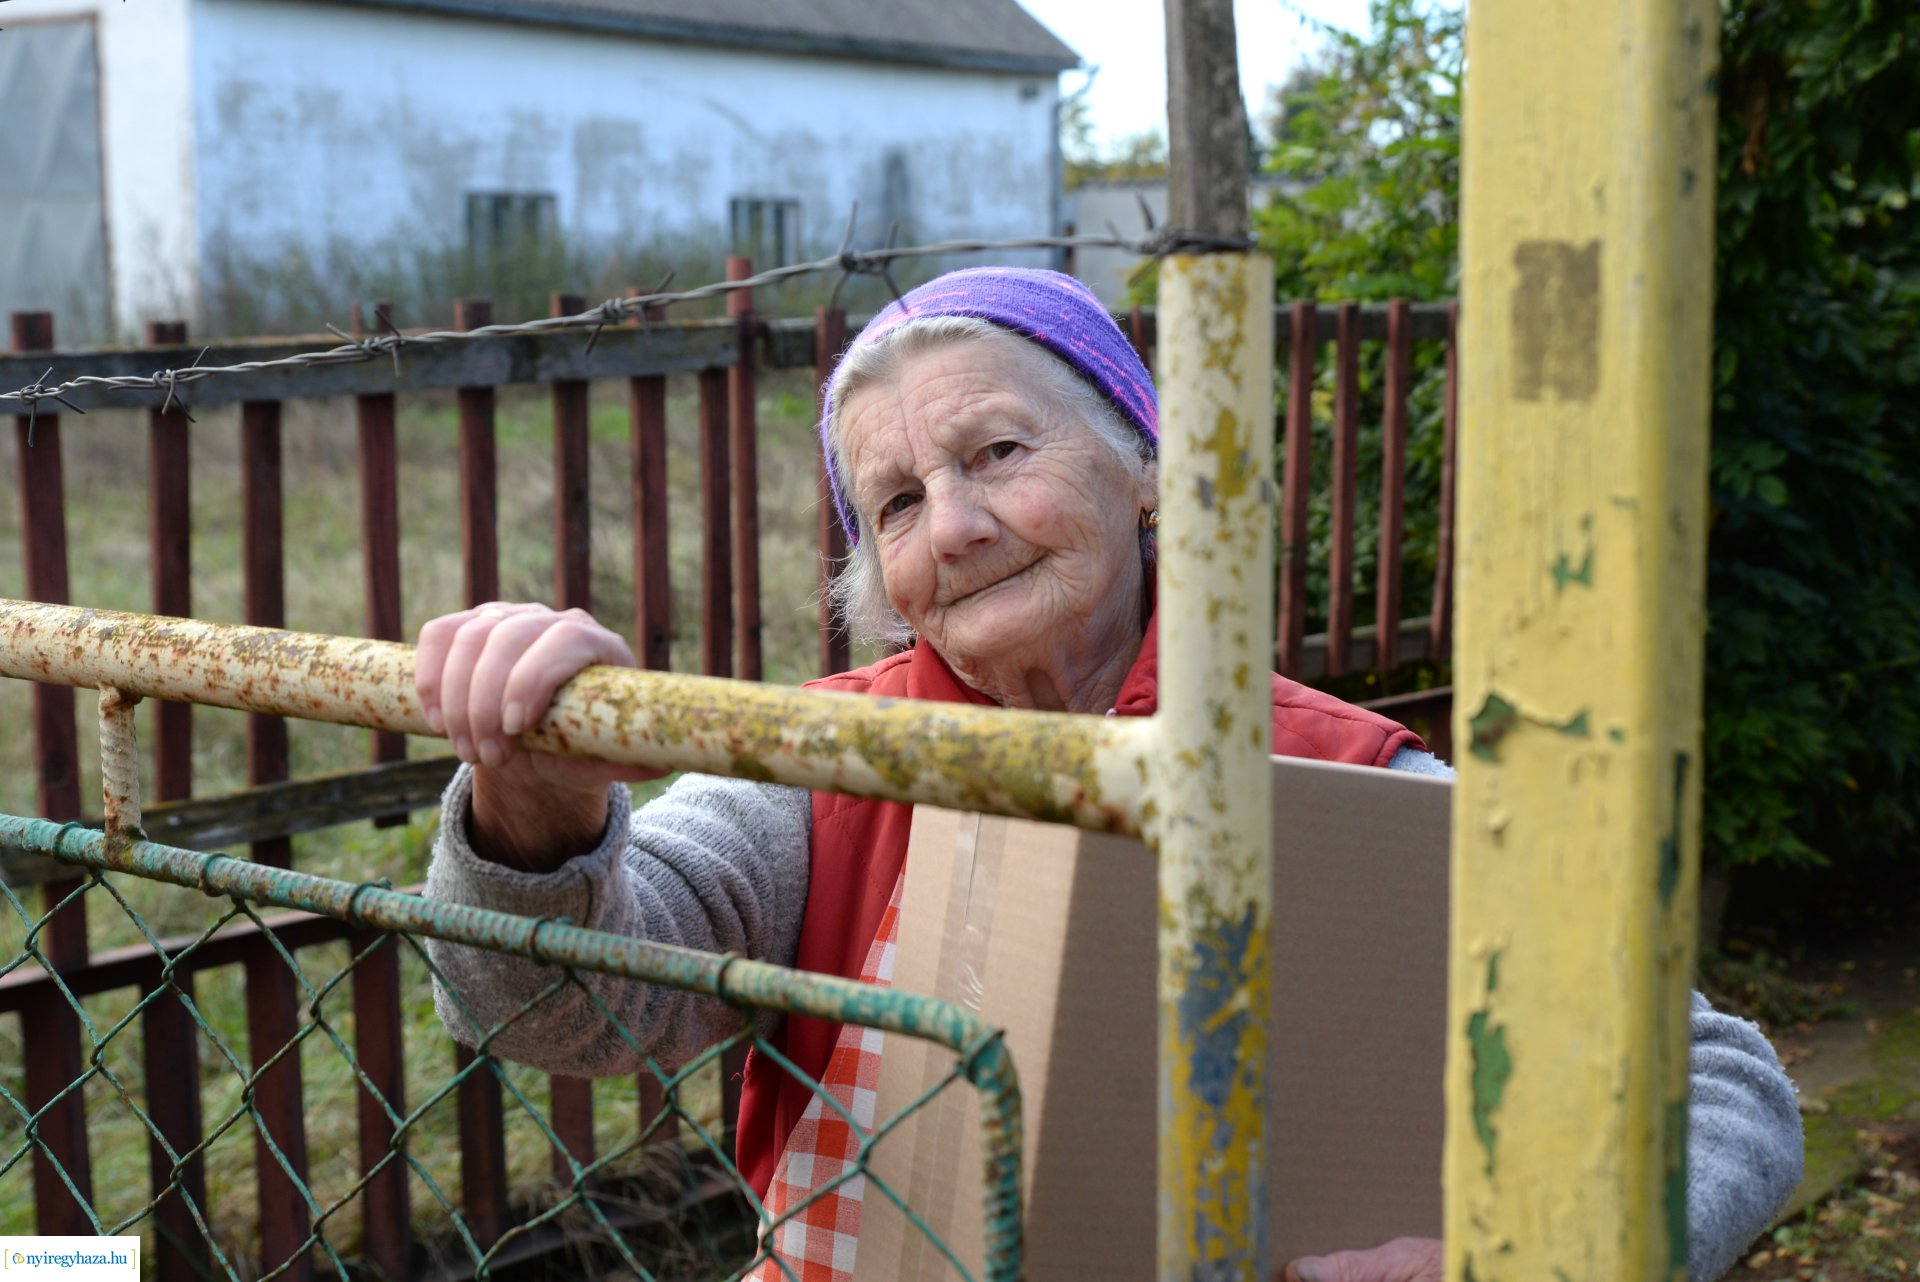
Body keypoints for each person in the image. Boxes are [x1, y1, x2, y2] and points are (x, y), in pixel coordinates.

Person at [414, 267, 1802, 1282]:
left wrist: (1514, 1259)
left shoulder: (1344, 775)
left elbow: (1722, 1082)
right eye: (896, 502)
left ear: (1147, 473)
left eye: (997, 453)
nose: (950, 528)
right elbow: (571, 1011)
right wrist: (537, 803)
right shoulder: (818, 762)